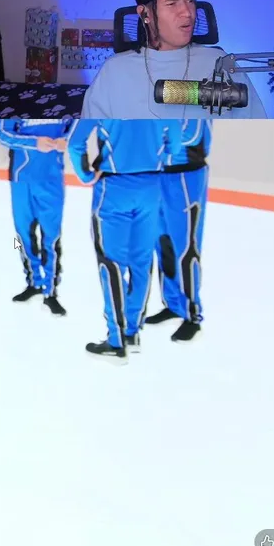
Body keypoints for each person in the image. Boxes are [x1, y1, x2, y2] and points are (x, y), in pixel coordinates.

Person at [82, 0, 268, 119]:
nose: (187, 12)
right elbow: (92, 142)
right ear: (145, 13)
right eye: (172, 3)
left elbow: (255, 131)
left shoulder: (220, 63)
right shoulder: (114, 71)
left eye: (191, 1)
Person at [66, 119, 169, 363]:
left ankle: (116, 340)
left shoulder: (101, 101)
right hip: (150, 185)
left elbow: (75, 143)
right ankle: (132, 332)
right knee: (142, 260)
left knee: (111, 262)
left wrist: (86, 175)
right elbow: (175, 140)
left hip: (114, 186)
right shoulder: (160, 101)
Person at [146, 118, 211, 342]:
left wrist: (148, 138)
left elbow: (191, 134)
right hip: (159, 173)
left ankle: (192, 314)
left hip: (186, 175)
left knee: (186, 246)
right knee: (163, 242)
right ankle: (173, 303)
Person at [0, 119, 69, 315]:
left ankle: (51, 291)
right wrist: (34, 143)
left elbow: (76, 131)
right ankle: (32, 280)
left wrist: (66, 140)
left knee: (52, 237)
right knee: (19, 237)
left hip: (52, 180)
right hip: (21, 180)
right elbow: (2, 134)